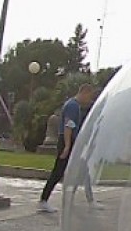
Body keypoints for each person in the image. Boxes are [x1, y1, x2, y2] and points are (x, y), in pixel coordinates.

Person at [38, 84, 103, 213]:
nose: (89, 101)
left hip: (71, 141)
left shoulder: (74, 105)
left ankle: (82, 200)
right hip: (68, 141)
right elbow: (68, 126)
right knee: (58, 172)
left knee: (83, 170)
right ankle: (44, 200)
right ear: (84, 92)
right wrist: (67, 146)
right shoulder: (73, 106)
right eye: (89, 97)